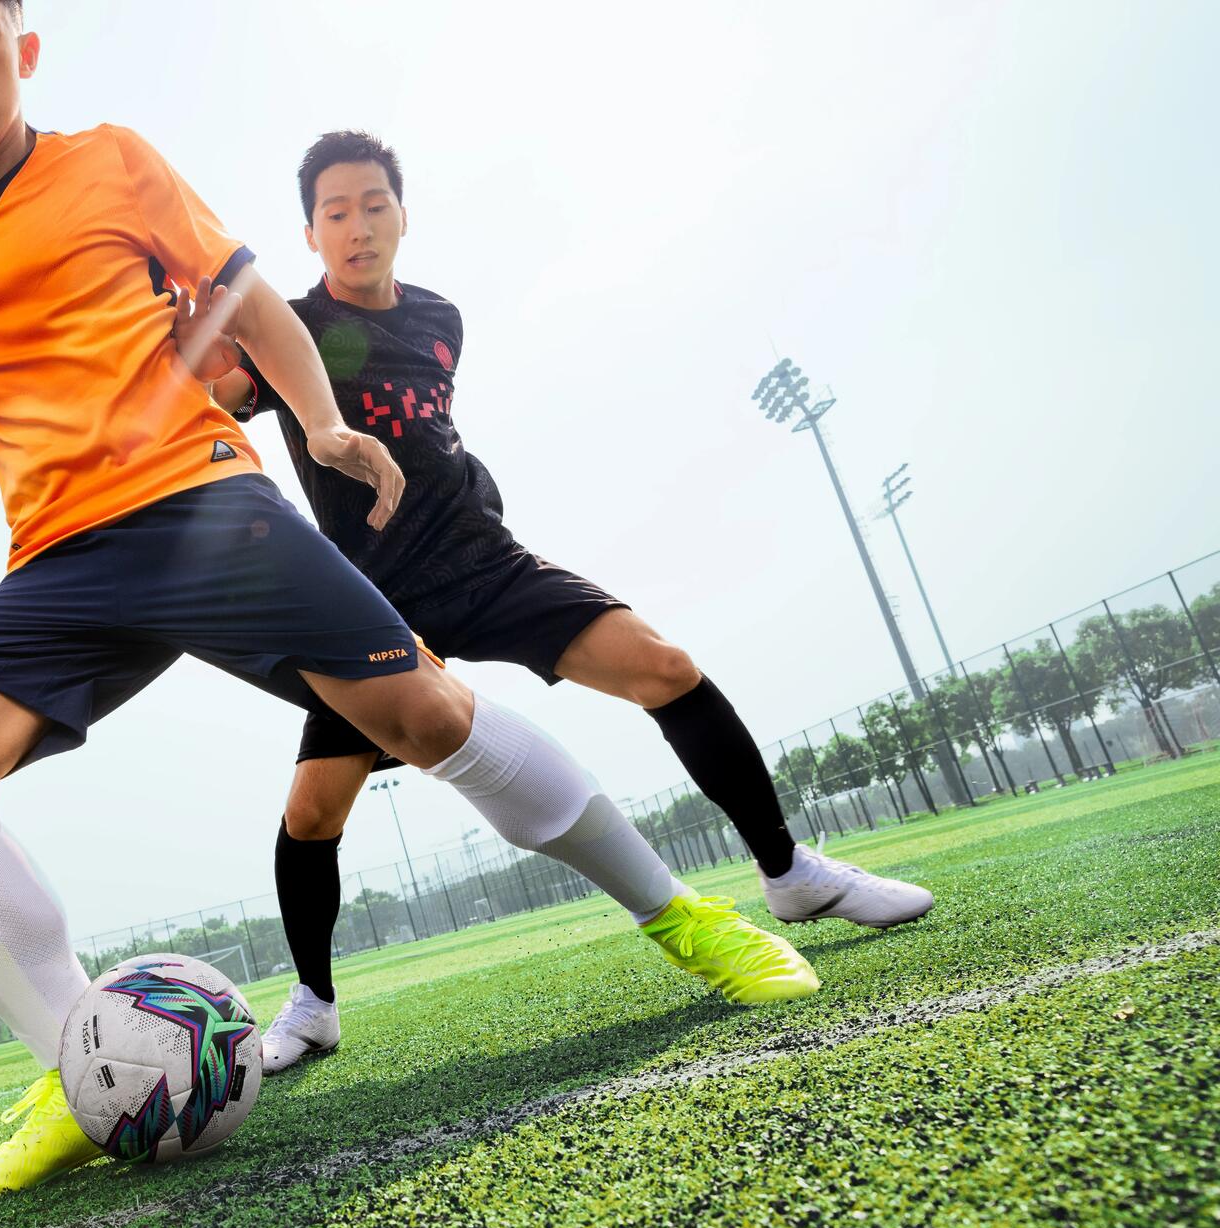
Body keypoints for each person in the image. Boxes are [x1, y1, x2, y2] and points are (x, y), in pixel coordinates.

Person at [0, 1, 818, 1206]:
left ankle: (684, 921)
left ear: (21, 47)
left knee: (427, 716)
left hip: (201, 508)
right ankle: (75, 1070)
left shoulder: (117, 161)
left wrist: (319, 421)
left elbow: (250, 303)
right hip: (61, 559)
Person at [173, 130, 933, 1074]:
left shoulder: (444, 317)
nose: (358, 225)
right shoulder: (292, 323)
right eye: (337, 212)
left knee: (667, 667)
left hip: (481, 562)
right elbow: (236, 385)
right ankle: (315, 1004)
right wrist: (199, 347)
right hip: (370, 603)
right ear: (311, 231)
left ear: (403, 214)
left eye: (375, 204)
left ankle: (789, 873)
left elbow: (435, 432)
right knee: (312, 814)